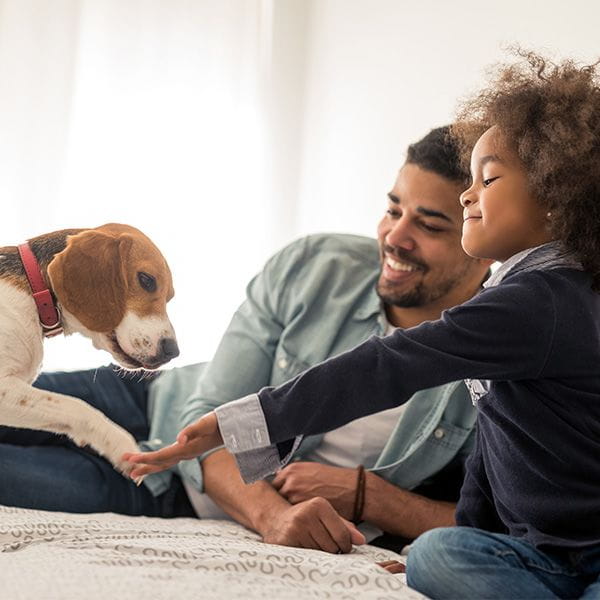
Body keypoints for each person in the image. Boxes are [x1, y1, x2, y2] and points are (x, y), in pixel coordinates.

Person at [126, 50, 600, 599]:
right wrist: (471, 537)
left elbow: (389, 364)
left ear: (555, 196)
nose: (469, 193)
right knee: (435, 555)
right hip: (541, 554)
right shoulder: (518, 294)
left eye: (487, 180)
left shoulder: (542, 301)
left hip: (585, 552)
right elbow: (496, 450)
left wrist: (250, 422)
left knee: (441, 559)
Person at [0, 126, 491, 554]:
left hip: (164, 492)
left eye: (428, 225)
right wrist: (272, 516)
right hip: (150, 399)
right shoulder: (314, 265)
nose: (394, 237)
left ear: (483, 241)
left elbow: (504, 523)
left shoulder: (503, 354)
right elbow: (207, 407)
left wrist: (373, 499)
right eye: (393, 209)